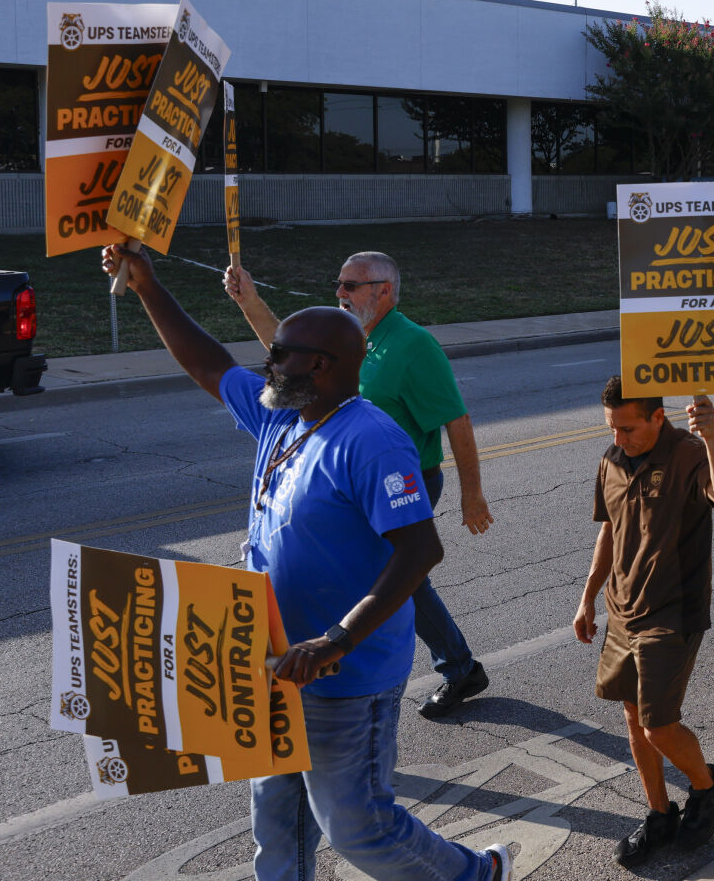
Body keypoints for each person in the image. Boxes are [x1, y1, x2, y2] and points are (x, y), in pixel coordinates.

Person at [101, 246, 510, 881]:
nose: (267, 363)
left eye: (280, 354)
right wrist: (150, 287)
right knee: (279, 824)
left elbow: (420, 549)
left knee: (359, 828)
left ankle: (474, 875)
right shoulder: (282, 417)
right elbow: (209, 363)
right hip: (273, 661)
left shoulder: (372, 440)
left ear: (319, 366)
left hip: (347, 675)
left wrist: (336, 639)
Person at [227, 253, 494, 721]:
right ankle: (451, 665)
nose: (340, 293)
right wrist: (250, 301)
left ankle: (453, 667)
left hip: (400, 481)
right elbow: (289, 350)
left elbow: (456, 418)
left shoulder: (414, 346)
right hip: (351, 485)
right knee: (392, 582)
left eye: (351, 285)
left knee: (400, 579)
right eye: (339, 284)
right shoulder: (353, 336)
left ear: (384, 290)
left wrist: (472, 494)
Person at [575, 378, 714, 867]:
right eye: (612, 429)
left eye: (628, 428)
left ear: (656, 417)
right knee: (632, 715)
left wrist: (710, 435)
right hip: (621, 608)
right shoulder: (611, 459)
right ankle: (659, 814)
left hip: (673, 608)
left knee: (658, 726)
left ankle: (709, 785)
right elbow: (609, 530)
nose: (619, 438)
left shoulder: (688, 451)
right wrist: (587, 597)